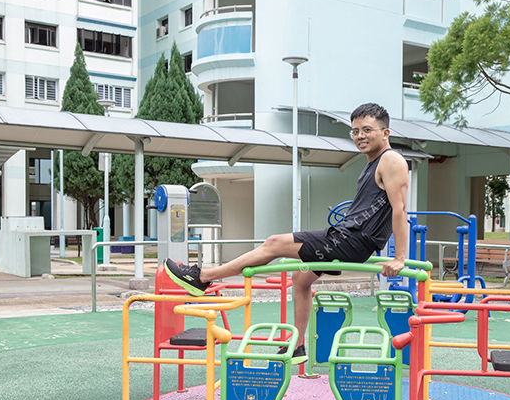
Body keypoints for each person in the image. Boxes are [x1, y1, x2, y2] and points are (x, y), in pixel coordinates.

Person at [165, 103, 410, 363]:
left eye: (367, 130)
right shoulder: (372, 163)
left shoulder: (390, 159)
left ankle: (202, 277)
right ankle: (297, 346)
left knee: (274, 243)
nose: (360, 136)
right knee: (300, 279)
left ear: (385, 133)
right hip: (348, 237)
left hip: (350, 240)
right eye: (355, 131)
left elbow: (400, 209)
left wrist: (400, 258)